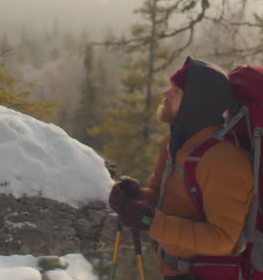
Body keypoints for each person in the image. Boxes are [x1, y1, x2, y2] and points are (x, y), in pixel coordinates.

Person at [108, 58, 254, 280]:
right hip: (175, 271)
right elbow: (160, 199)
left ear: (195, 102)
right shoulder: (173, 143)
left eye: (176, 91)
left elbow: (223, 239)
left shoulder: (223, 160)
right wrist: (137, 197)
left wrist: (150, 221)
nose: (165, 94)